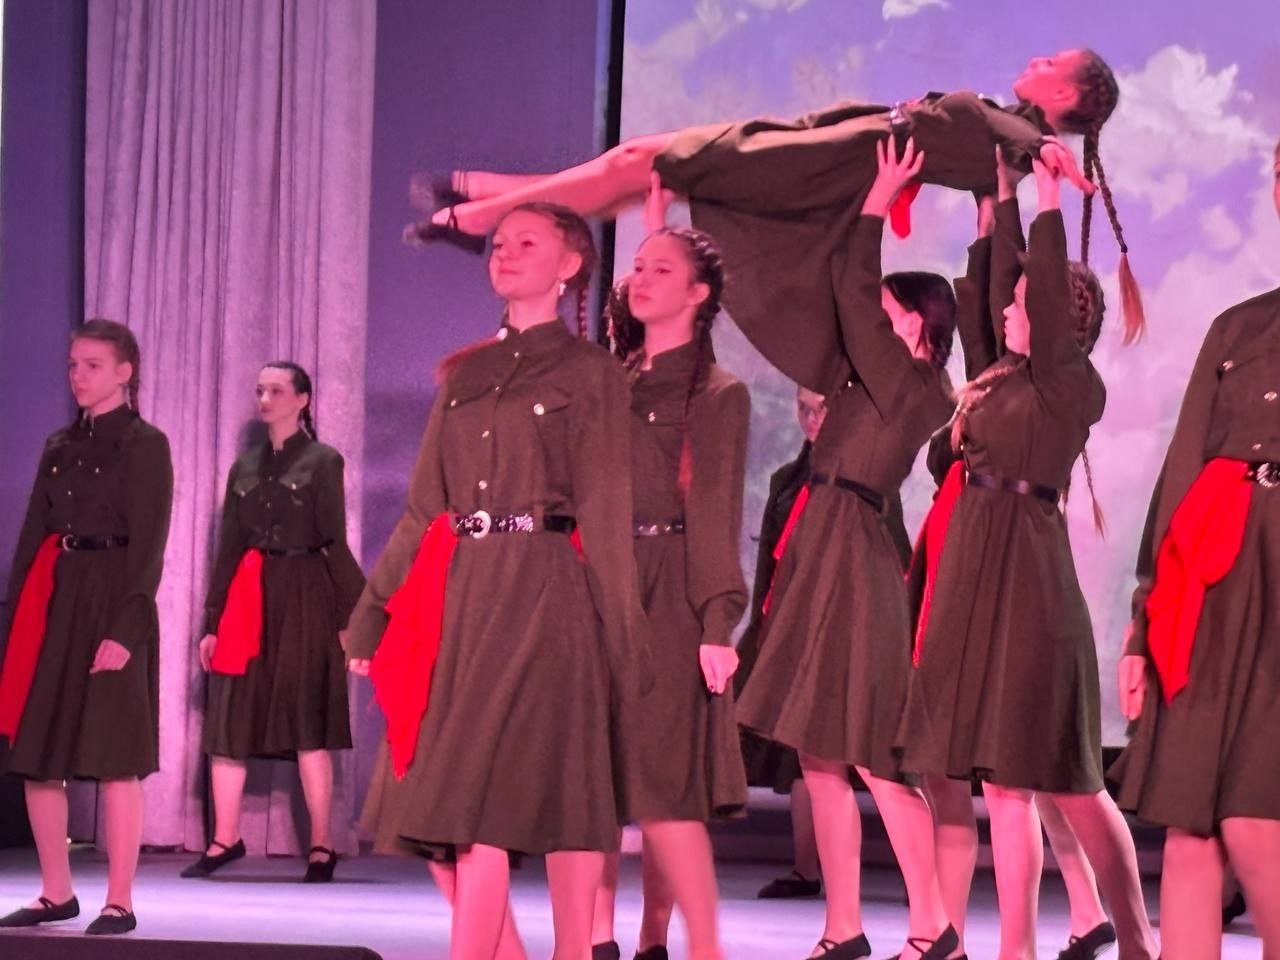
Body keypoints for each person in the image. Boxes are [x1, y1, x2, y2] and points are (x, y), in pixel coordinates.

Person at [410, 50, 1142, 394]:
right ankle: (483, 205)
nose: (1037, 59)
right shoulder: (1001, 130)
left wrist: (1043, 152)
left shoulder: (1009, 141)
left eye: (1054, 62)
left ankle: (476, 214)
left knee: (645, 162)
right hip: (824, 148)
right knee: (637, 169)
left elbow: (1007, 147)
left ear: (1063, 96)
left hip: (817, 167)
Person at [346, 203, 650, 960]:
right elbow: (423, 510)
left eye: (526, 242)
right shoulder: (465, 373)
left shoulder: (592, 374)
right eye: (498, 243)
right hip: (465, 598)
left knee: (558, 795)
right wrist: (371, 614)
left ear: (570, 265)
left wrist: (628, 649)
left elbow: (605, 515)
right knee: (465, 810)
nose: (505, 253)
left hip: (547, 594)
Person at [895, 156, 1157, 960]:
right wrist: (1002, 194)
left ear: (1055, 320)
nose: (1009, 308)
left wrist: (1047, 198)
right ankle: (1016, 948)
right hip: (975, 578)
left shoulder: (1068, 387)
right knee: (1003, 786)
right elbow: (993, 287)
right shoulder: (1001, 378)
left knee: (1067, 786)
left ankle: (1134, 938)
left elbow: (1034, 285)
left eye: (1023, 303)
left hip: (1028, 591)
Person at [738, 140, 960, 960]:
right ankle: (843, 926)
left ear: (919, 322)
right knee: (818, 756)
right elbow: (834, 296)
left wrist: (875, 199)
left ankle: (935, 926)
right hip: (822, 544)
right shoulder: (871, 377)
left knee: (874, 758)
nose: (873, 317)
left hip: (853, 561)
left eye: (890, 308)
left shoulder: (919, 385)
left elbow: (849, 285)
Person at [1110, 137, 1280, 960]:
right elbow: (1180, 476)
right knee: (1190, 830)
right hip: (1212, 583)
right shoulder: (1239, 326)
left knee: (1252, 817)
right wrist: (1144, 622)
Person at [590, 212, 750, 960]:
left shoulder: (718, 393)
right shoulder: (608, 382)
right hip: (598, 586)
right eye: (637, 266)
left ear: (698, 293)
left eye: (661, 269)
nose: (640, 278)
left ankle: (692, 944)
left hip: (670, 593)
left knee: (663, 786)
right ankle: (596, 941)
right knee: (592, 779)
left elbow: (715, 513)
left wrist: (718, 624)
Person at [0, 320, 173, 936]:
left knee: (116, 756)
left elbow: (149, 546)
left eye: (93, 365)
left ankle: (119, 900)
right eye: (73, 364)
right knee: (38, 753)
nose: (78, 375)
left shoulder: (146, 445)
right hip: (57, 597)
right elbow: (31, 537)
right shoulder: (58, 445)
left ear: (125, 372)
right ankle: (56, 892)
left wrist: (126, 630)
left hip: (113, 596)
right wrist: (13, 623)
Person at [182, 362, 364, 883]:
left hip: (305, 593)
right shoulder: (243, 466)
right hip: (248, 596)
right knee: (230, 716)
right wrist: (212, 621)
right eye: (260, 390)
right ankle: (225, 839)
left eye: (277, 391)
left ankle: (322, 845)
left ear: (303, 400)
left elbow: (332, 540)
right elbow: (228, 548)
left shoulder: (324, 460)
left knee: (308, 718)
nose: (265, 399)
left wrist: (353, 617)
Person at [735, 386, 828, 901]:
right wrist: (761, 635)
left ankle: (919, 879)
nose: (811, 419)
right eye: (803, 409)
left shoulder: (865, 477)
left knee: (878, 760)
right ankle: (806, 868)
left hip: (843, 625)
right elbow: (769, 568)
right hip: (792, 625)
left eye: (821, 409)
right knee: (798, 754)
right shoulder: (786, 481)